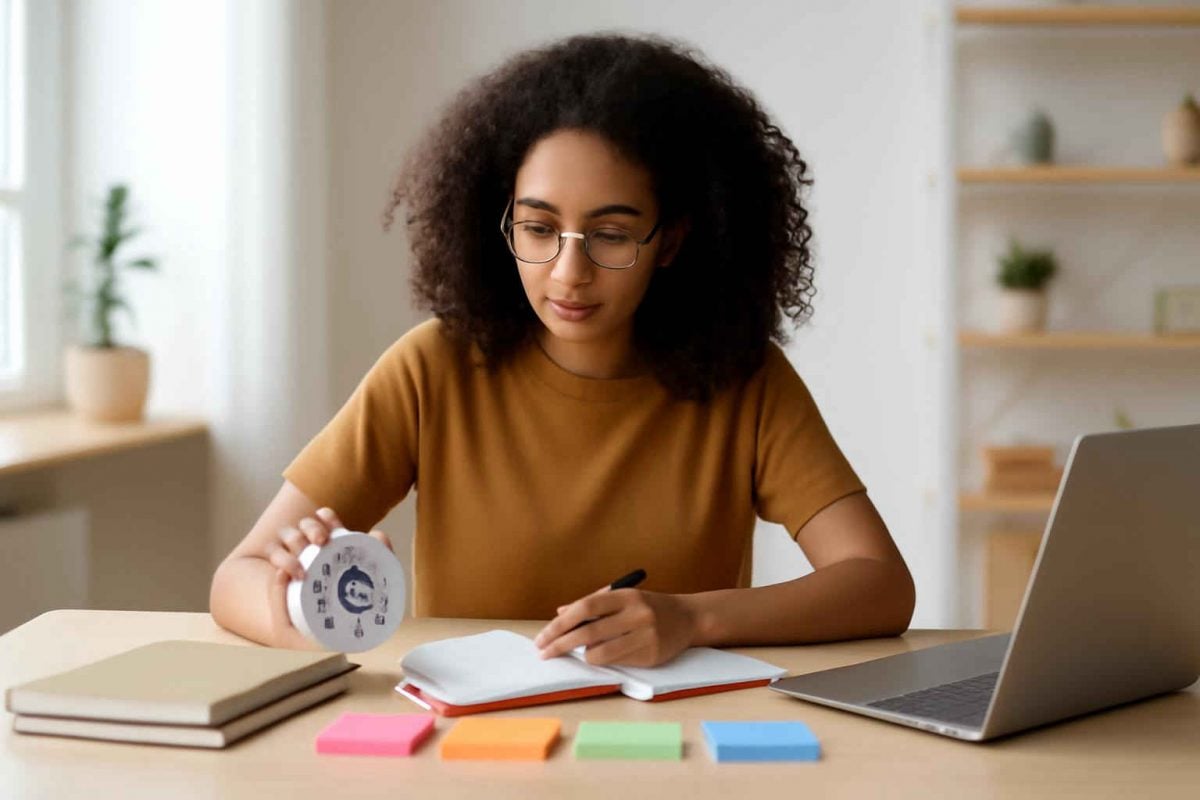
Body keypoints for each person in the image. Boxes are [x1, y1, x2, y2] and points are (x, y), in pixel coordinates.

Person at [210, 33, 915, 667]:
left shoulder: (743, 377)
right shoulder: (433, 368)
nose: (568, 273)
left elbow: (880, 584)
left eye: (610, 234)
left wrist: (693, 617)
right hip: (472, 751)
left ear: (669, 241)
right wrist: (305, 612)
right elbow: (235, 578)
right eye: (539, 229)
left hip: (675, 749)